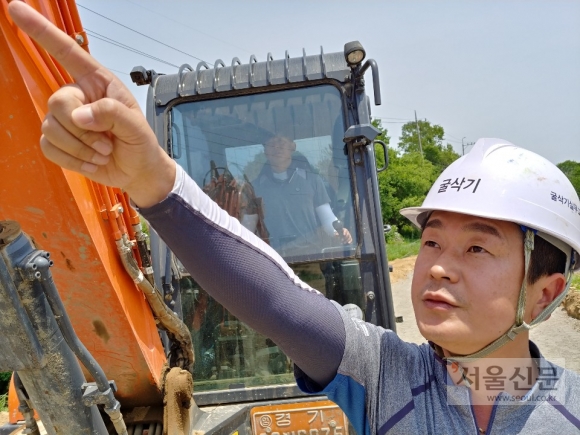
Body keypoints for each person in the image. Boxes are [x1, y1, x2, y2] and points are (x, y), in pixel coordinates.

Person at [8, 3, 580, 434]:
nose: (437, 268)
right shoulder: (384, 376)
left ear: (545, 293)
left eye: (476, 248)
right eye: (431, 241)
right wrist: (152, 180)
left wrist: (333, 230)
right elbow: (278, 298)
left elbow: (330, 216)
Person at [241, 135, 352, 254]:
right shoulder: (253, 188)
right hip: (271, 260)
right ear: (265, 151)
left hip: (310, 259)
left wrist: (340, 233)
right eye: (271, 143)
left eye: (280, 141)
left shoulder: (312, 181)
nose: (276, 147)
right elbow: (248, 227)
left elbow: (327, 218)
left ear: (292, 147)